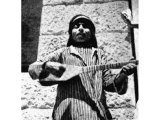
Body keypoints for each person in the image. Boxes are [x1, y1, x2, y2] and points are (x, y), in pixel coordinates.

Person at [28, 14, 137, 120]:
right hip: (68, 113)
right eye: (76, 26)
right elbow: (34, 68)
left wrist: (123, 73)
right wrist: (56, 71)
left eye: (85, 26)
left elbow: (109, 84)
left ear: (92, 33)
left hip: (96, 114)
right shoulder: (63, 53)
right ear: (71, 33)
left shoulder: (99, 54)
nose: (81, 29)